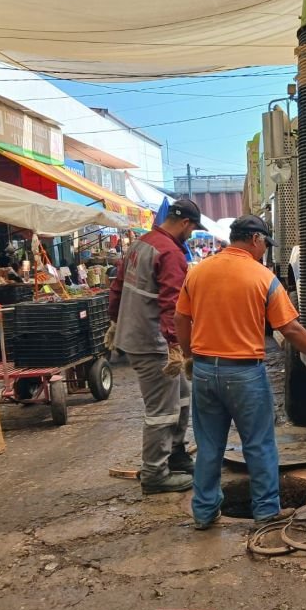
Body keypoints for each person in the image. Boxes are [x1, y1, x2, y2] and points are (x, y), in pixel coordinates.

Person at [174, 214, 306, 530]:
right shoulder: (262, 277)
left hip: (205, 372)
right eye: (265, 243)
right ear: (255, 239)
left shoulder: (199, 272)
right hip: (244, 375)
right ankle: (266, 511)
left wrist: (189, 355)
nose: (264, 249)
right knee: (259, 444)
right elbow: (290, 328)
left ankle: (204, 512)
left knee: (209, 445)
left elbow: (181, 319)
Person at [107, 199, 202, 495]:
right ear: (186, 223)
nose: (191, 235)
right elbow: (173, 304)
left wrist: (114, 322)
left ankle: (176, 454)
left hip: (138, 336)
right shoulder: (171, 252)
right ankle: (155, 473)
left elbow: (117, 289)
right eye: (192, 229)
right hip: (153, 343)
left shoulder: (141, 244)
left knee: (182, 398)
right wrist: (176, 346)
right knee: (162, 409)